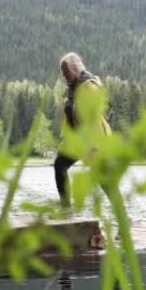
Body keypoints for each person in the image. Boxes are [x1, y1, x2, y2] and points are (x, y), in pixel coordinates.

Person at [54, 52, 112, 208]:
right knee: (60, 165)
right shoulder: (73, 89)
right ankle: (66, 210)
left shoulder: (89, 86)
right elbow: (70, 118)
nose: (63, 75)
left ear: (74, 68)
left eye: (65, 71)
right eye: (62, 71)